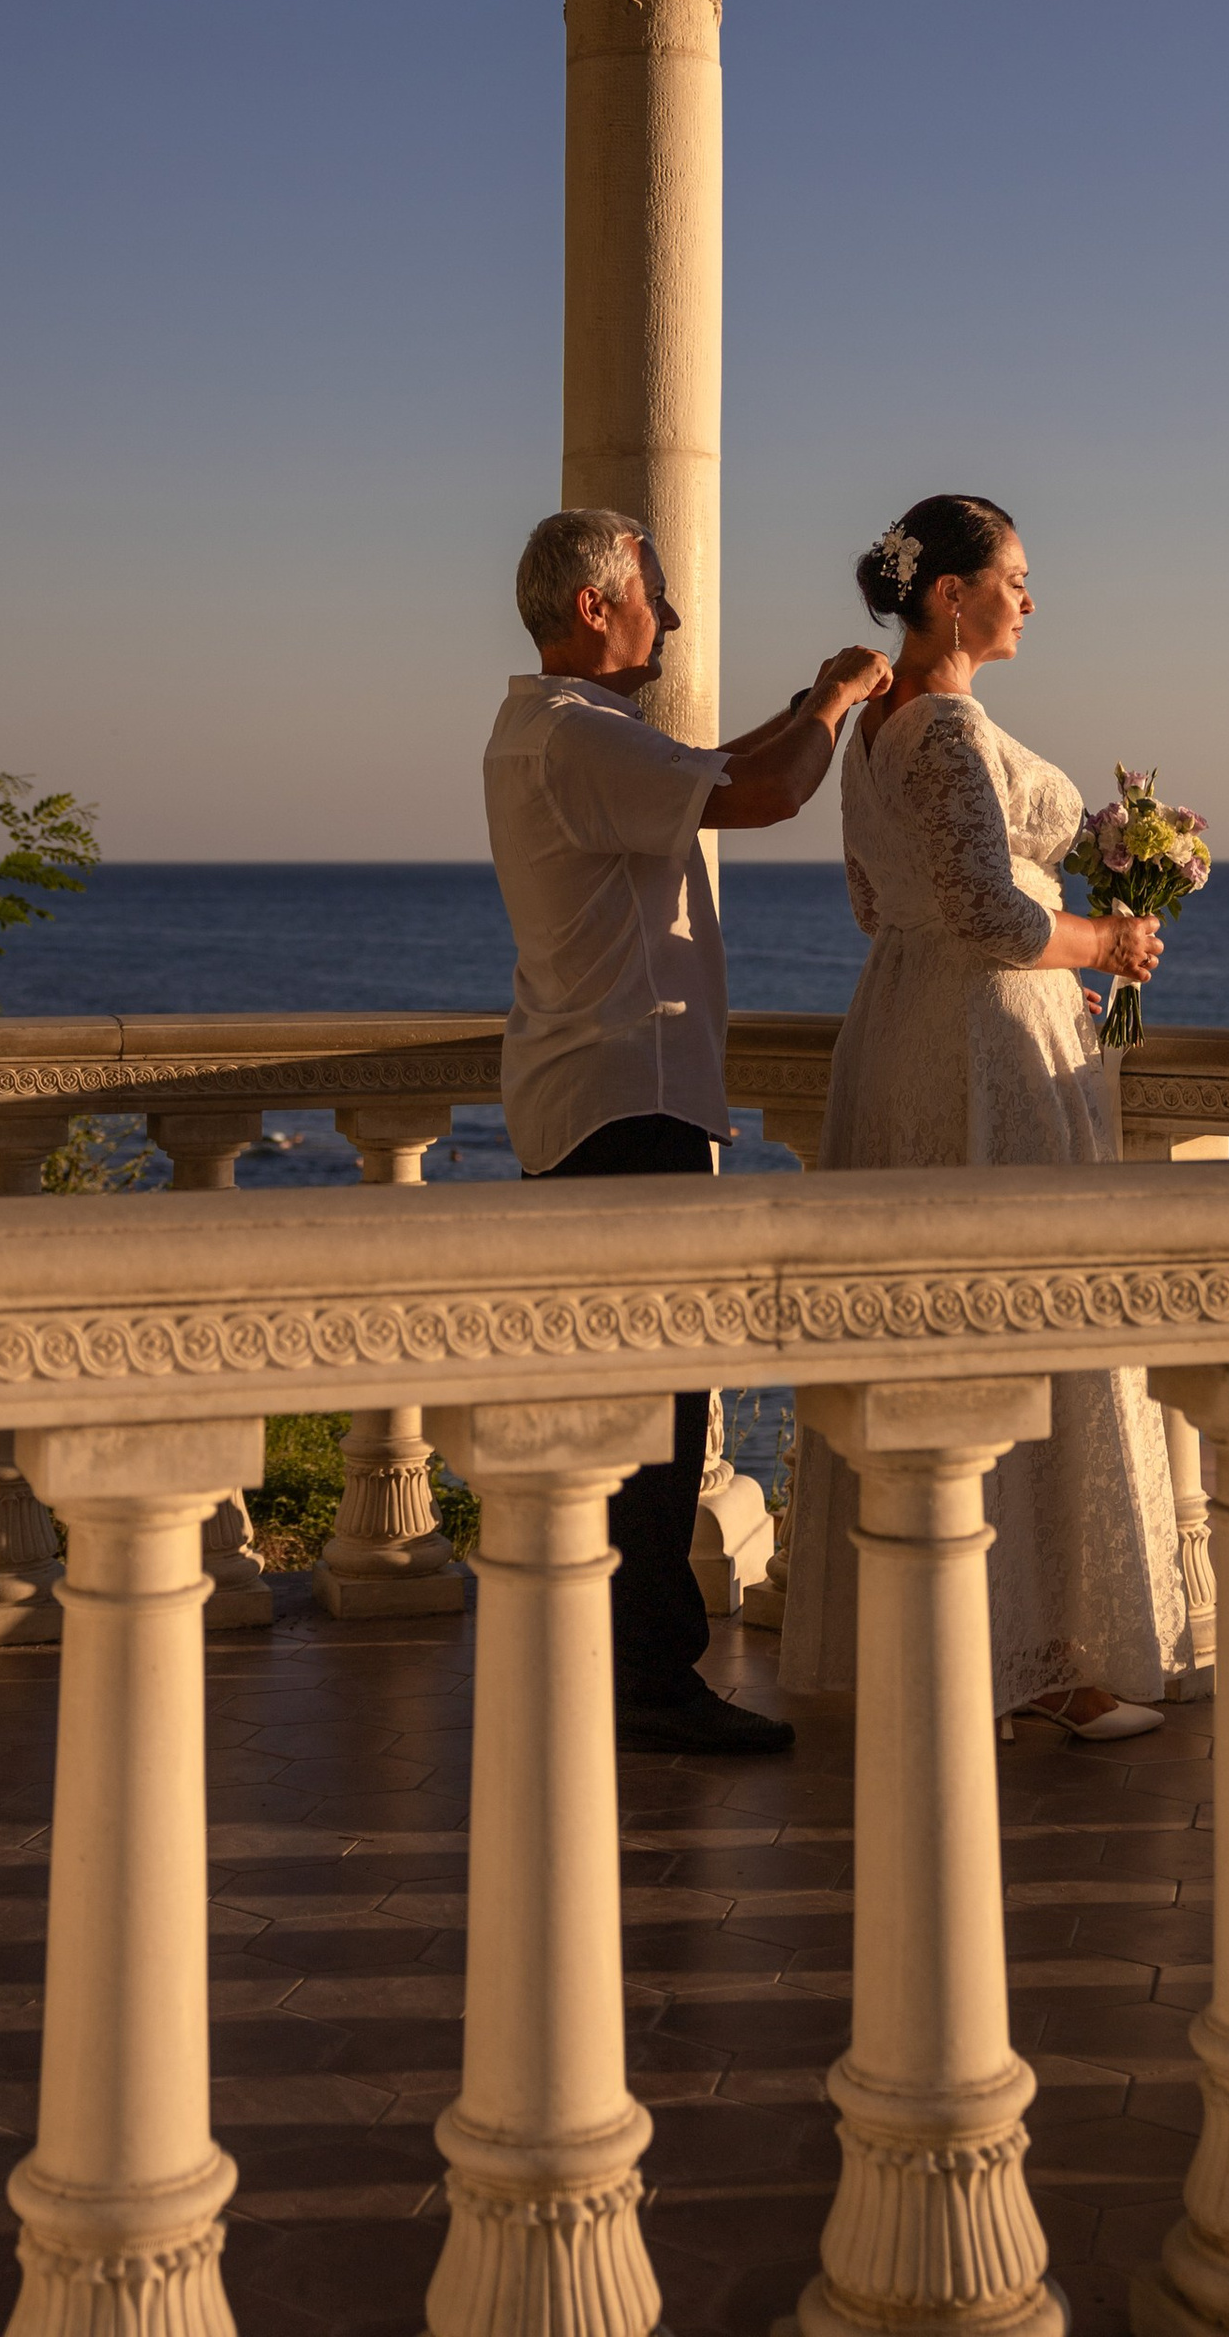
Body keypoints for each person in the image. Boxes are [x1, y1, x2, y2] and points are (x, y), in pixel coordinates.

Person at [484, 506, 891, 1756]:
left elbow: (711, 766)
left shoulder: (560, 729)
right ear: (596, 606)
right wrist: (838, 705)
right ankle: (650, 1685)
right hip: (627, 1101)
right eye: (651, 594)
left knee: (620, 1406)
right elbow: (762, 794)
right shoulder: (577, 735)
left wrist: (808, 701)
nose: (668, 614)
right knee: (651, 1420)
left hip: (592, 1095)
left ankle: (606, 1666)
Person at [779, 492, 1185, 1739]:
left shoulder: (869, 729)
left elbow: (874, 904)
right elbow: (991, 917)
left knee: (930, 1332)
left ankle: (947, 1641)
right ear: (948, 595)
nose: (1029, 599)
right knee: (1022, 1318)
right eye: (1013, 577)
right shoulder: (948, 727)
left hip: (898, 1031)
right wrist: (1107, 940)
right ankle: (1044, 1662)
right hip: (985, 1045)